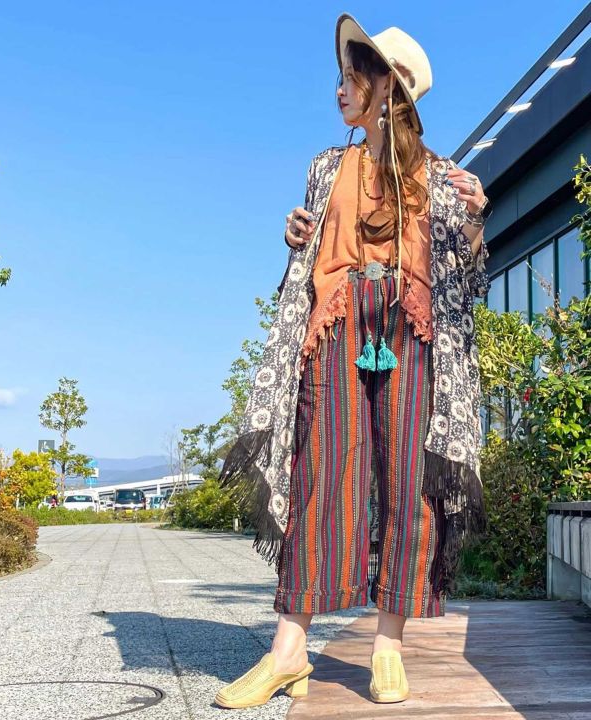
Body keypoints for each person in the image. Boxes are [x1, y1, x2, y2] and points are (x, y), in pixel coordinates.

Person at [215, 12, 492, 709]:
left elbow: (468, 280)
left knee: (409, 483)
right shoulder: (325, 167)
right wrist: (296, 233)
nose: (339, 89)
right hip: (335, 324)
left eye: (351, 77)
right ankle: (288, 651)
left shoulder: (441, 176)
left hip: (411, 330)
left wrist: (475, 219)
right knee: (320, 474)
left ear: (386, 88)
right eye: (339, 77)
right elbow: (310, 244)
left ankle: (388, 645)